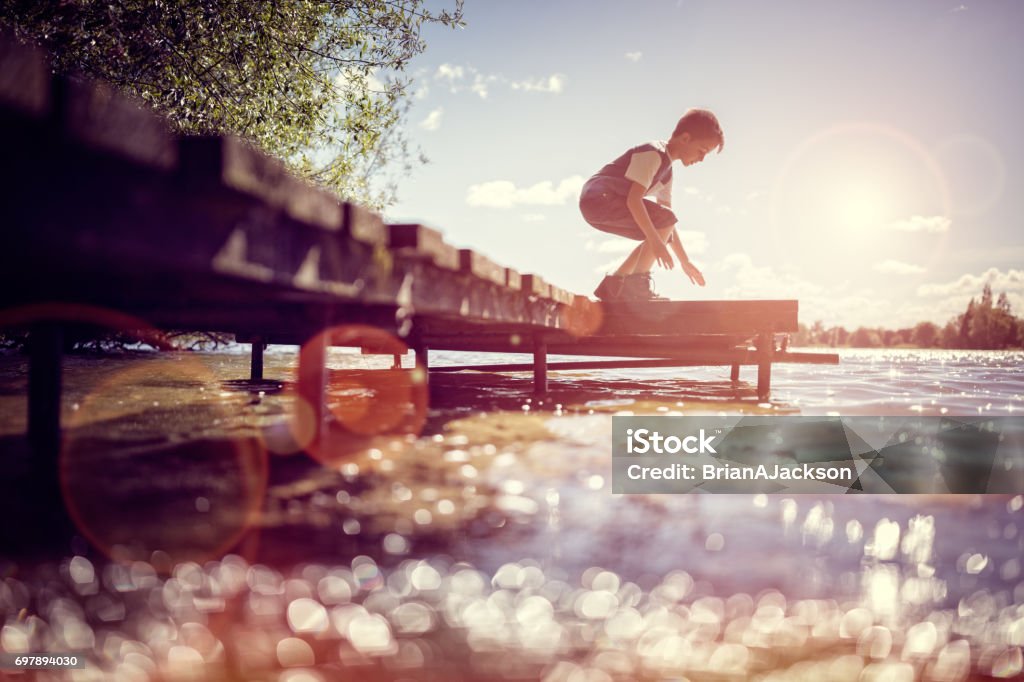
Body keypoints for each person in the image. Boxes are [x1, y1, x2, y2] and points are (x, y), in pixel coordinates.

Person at [579, 108, 724, 301]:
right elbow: (634, 200)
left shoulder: (667, 173)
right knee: (656, 233)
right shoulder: (653, 153)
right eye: (702, 151)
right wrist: (656, 242)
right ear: (685, 138)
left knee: (658, 229)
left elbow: (668, 224)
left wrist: (684, 261)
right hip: (599, 198)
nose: (702, 158)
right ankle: (636, 287)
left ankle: (614, 283)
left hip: (599, 205)